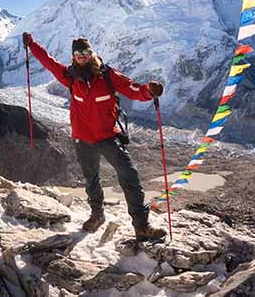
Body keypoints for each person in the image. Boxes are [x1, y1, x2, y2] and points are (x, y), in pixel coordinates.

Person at [23, 32, 167, 241]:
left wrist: (148, 91)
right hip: (83, 140)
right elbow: (48, 61)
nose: (82, 55)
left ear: (91, 53)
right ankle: (97, 215)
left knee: (129, 176)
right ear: (73, 56)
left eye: (85, 51)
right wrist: (32, 45)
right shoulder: (69, 76)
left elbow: (131, 89)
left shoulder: (107, 75)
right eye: (78, 52)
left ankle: (141, 226)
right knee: (91, 180)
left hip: (108, 137)